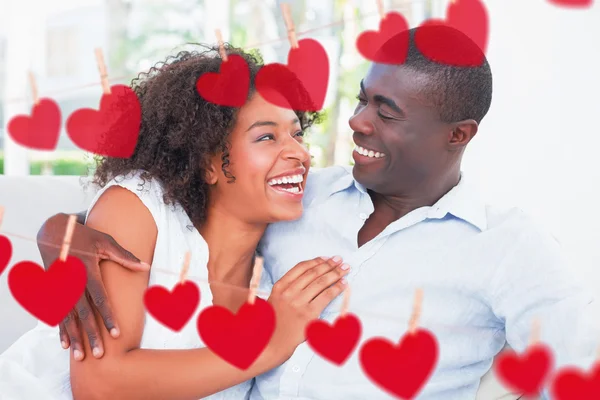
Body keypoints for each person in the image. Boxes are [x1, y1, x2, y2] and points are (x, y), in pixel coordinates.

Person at [23, 26, 600, 399]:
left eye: (387, 111)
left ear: (459, 135)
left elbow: (582, 370)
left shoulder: (506, 246)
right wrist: (59, 233)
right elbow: (172, 205)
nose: (356, 123)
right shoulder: (302, 198)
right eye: (361, 100)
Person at [0, 45, 352, 400]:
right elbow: (98, 386)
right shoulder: (139, 207)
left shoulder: (276, 274)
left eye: (297, 134)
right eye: (266, 137)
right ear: (207, 162)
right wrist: (271, 345)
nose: (300, 153)